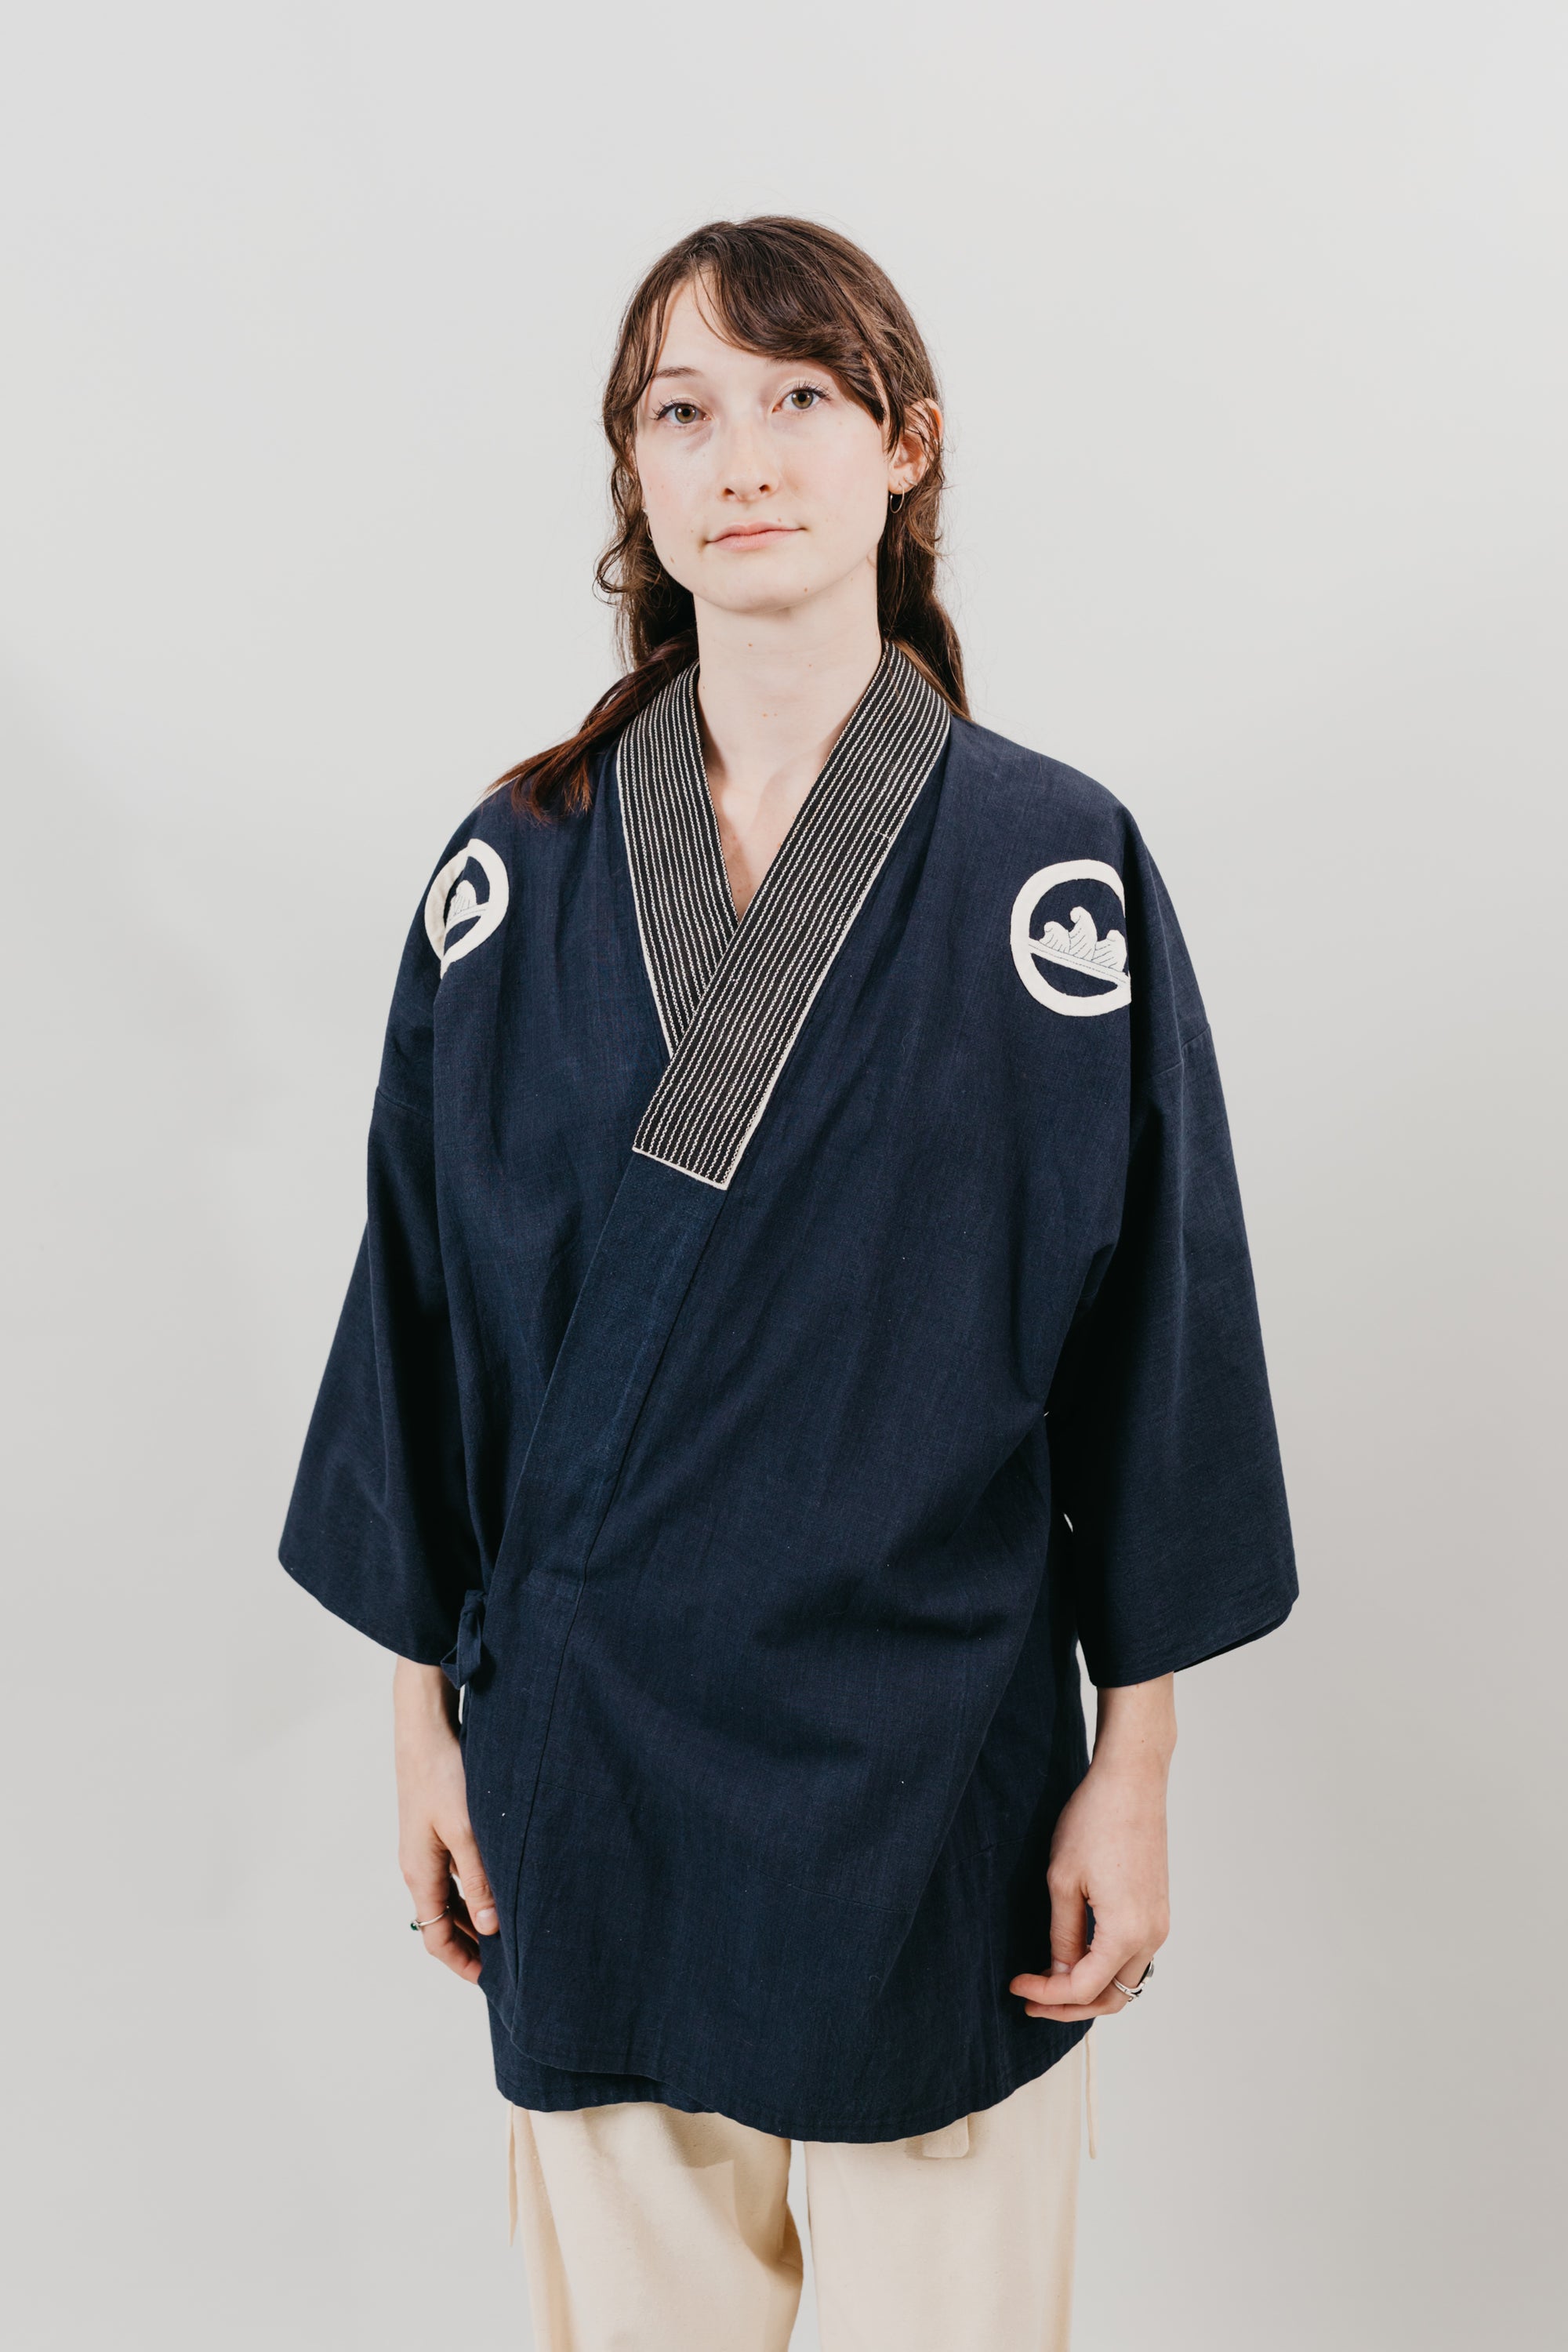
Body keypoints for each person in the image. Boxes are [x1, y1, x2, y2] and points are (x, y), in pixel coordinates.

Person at [281, 215, 1297, 2350]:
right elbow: (420, 1317)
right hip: (592, 1762)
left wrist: (1141, 1759)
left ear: (907, 450)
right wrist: (419, 1730)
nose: (742, 450)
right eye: (683, 410)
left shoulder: (1054, 873)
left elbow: (1160, 1343)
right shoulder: (509, 877)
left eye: (801, 398)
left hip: (938, 1781)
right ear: (633, 484)